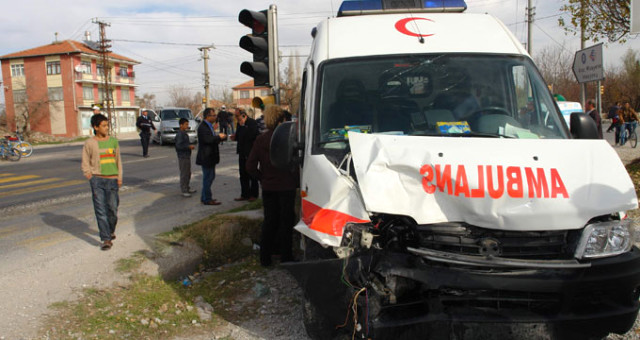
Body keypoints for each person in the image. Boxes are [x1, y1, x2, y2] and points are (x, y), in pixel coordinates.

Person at [247, 105, 298, 266]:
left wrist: (262, 178)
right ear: (280, 120)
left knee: (269, 222)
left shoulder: (261, 139)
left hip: (269, 187)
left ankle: (265, 258)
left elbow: (250, 166)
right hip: (286, 187)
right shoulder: (289, 139)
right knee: (286, 222)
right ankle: (286, 256)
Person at [81, 114, 122, 251]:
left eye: (107, 125)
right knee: (100, 210)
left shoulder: (114, 141)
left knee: (112, 209)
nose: (106, 128)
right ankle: (106, 239)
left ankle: (110, 231)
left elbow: (118, 161)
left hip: (112, 180)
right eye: (103, 126)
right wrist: (89, 174)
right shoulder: (89, 143)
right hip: (97, 180)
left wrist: (119, 176)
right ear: (96, 127)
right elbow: (85, 160)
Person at [196, 108, 226, 205]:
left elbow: (212, 139)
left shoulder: (209, 126)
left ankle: (204, 197)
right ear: (207, 116)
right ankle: (207, 199)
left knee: (210, 177)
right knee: (208, 178)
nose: (215, 117)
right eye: (213, 115)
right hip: (206, 156)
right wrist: (218, 137)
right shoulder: (203, 127)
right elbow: (208, 140)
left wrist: (220, 138)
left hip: (211, 156)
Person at [231, 108, 259, 202]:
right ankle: (244, 194)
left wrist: (243, 127)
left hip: (250, 152)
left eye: (239, 118)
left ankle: (254, 194)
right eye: (237, 119)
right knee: (243, 174)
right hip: (242, 152)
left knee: (252, 173)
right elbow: (239, 136)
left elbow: (252, 136)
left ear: (244, 116)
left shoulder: (252, 123)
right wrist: (235, 137)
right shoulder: (240, 124)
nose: (239, 121)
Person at [175, 118, 197, 197]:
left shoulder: (184, 133)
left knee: (188, 173)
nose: (187, 126)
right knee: (184, 173)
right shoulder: (180, 134)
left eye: (187, 124)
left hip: (187, 155)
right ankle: (184, 190)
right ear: (181, 125)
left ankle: (187, 187)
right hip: (182, 156)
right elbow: (178, 146)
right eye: (186, 124)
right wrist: (188, 146)